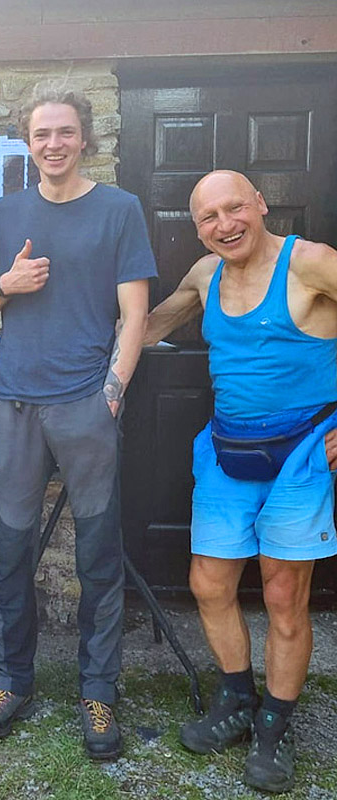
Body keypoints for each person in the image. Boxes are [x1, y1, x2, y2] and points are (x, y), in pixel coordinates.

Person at [0, 82, 156, 759]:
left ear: (84, 138)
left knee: (98, 556)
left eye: (65, 132)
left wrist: (112, 391)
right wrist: (5, 285)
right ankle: (10, 681)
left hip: (85, 405)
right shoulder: (7, 212)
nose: (53, 144)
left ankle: (98, 691)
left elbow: (135, 313)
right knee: (10, 553)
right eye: (42, 133)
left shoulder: (119, 209)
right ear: (28, 140)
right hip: (15, 406)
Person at [144, 169, 337, 794]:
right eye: (209, 217)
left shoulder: (311, 263)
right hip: (228, 450)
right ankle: (236, 699)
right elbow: (149, 326)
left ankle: (275, 726)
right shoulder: (205, 275)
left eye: (235, 208)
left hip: (303, 452)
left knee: (283, 593)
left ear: (261, 203)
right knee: (209, 582)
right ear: (197, 229)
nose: (225, 225)